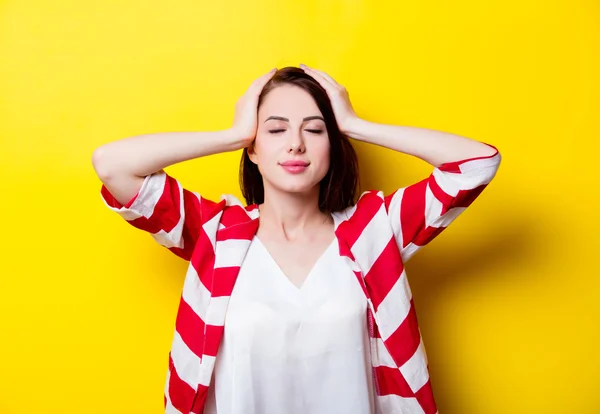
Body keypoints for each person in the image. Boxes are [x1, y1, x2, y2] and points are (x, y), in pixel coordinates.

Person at [92, 65, 502, 414]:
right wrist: (233, 134)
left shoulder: (372, 230)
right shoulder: (215, 232)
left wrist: (355, 125)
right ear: (252, 148)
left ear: (333, 145)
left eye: (315, 129)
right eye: (274, 129)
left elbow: (477, 164)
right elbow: (111, 166)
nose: (295, 144)